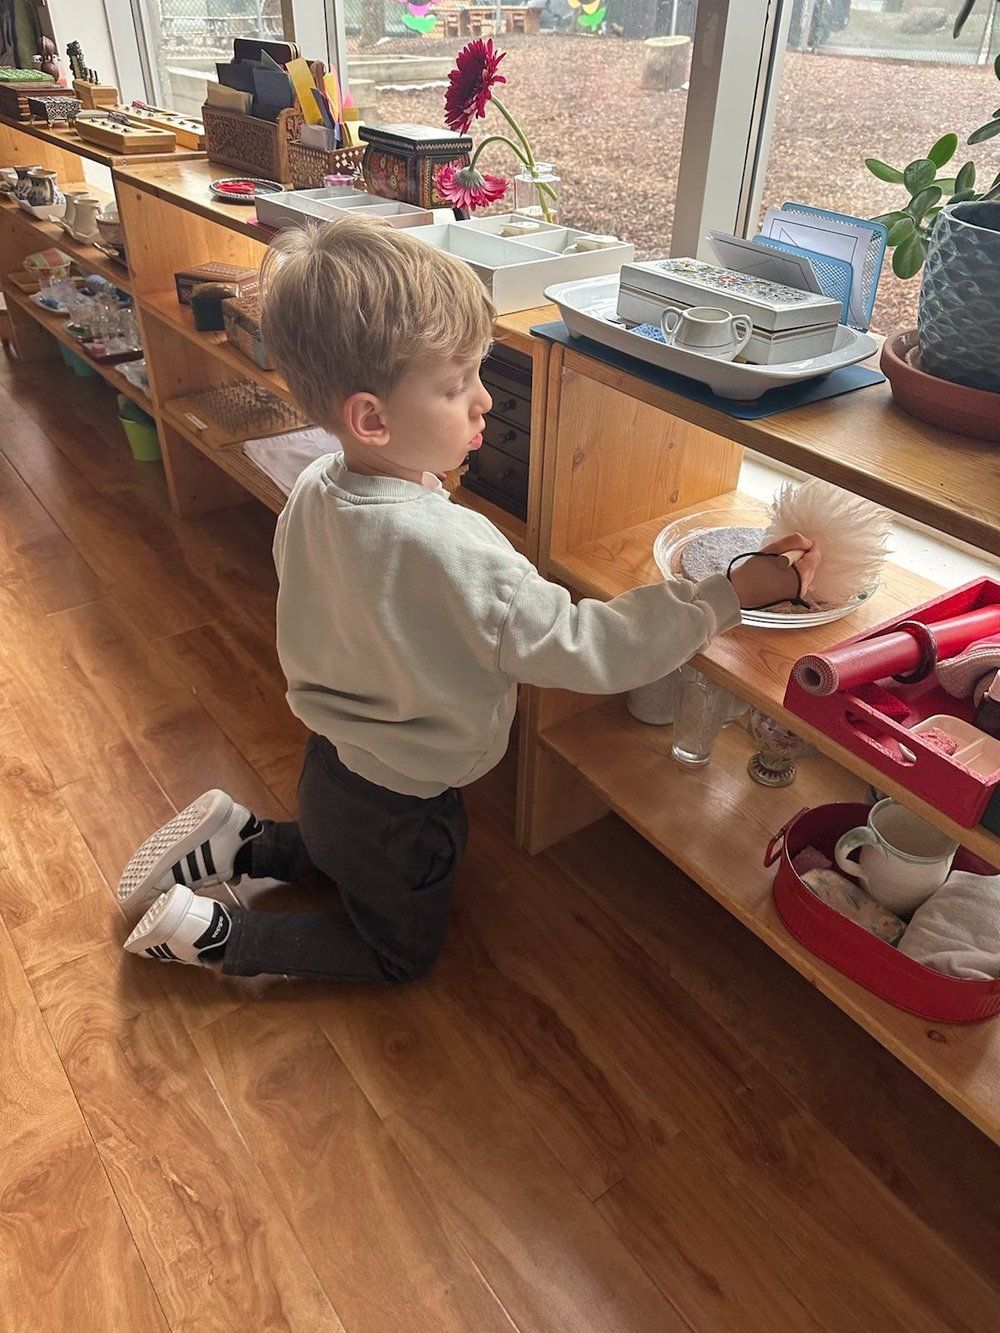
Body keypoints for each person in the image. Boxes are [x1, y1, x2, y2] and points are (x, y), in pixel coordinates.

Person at [118, 214, 817, 981]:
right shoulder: (460, 552)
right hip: (404, 810)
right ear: (372, 418)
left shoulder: (316, 485)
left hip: (332, 766)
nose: (484, 401)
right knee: (397, 954)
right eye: (456, 386)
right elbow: (597, 648)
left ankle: (248, 843)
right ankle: (219, 934)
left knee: (333, 842)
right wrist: (726, 592)